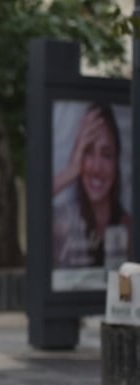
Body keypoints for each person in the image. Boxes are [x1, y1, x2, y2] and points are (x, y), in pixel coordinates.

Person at [52, 103, 131, 269]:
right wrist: (71, 170)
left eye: (106, 154)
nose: (96, 167)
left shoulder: (129, 226)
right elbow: (35, 207)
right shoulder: (63, 222)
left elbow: (130, 291)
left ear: (116, 162)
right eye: (87, 151)